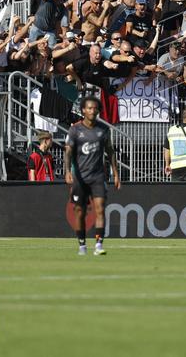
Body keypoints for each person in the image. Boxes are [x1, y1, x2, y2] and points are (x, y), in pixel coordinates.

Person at [64, 97, 121, 256]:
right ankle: (82, 245)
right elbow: (68, 151)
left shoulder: (103, 129)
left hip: (98, 176)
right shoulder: (75, 130)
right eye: (89, 108)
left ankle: (98, 245)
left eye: (95, 108)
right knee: (79, 212)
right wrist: (68, 171)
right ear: (83, 110)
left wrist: (116, 174)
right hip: (80, 178)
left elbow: (110, 151)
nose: (92, 111)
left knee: (100, 209)